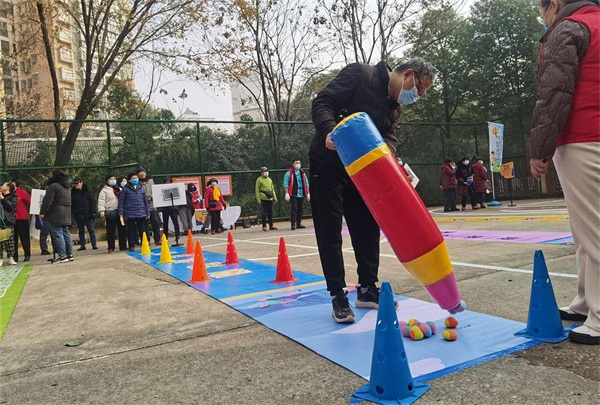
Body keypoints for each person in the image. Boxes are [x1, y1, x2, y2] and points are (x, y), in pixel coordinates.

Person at [310, 58, 436, 323]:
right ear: (408, 74)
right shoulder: (361, 75)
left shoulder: (394, 106)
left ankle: (367, 288)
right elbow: (323, 102)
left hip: (362, 171)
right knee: (329, 229)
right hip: (328, 163)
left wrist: (390, 160)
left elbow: (388, 136)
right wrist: (329, 131)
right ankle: (338, 294)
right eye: (420, 88)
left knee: (367, 227)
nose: (419, 95)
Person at [529, 0, 600, 345]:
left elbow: (554, 93)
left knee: (592, 230)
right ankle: (585, 302)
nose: (543, 18)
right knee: (586, 229)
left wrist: (540, 148)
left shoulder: (569, 28)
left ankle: (599, 317)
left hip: (582, 137)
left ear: (554, 4)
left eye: (540, 10)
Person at [40, 169, 73, 264]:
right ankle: (69, 254)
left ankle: (62, 255)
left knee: (57, 233)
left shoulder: (54, 186)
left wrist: (42, 212)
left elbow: (48, 200)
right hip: (66, 211)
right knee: (66, 232)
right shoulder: (67, 187)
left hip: (56, 212)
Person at [119, 172, 150, 252]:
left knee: (142, 230)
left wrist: (147, 212)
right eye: (133, 178)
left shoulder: (141, 188)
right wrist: (121, 214)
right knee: (131, 231)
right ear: (129, 180)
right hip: (130, 213)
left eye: (136, 178)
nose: (135, 179)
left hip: (141, 212)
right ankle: (131, 246)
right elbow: (121, 202)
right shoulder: (125, 189)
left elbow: (145, 202)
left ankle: (144, 244)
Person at [98, 174, 127, 253]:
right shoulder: (104, 190)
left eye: (114, 179)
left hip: (120, 212)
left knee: (122, 230)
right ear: (107, 181)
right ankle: (111, 247)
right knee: (110, 231)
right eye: (111, 179)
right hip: (110, 212)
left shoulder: (119, 189)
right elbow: (101, 201)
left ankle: (123, 246)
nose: (113, 180)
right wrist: (102, 211)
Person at [137, 166, 161, 246]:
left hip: (152, 205)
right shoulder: (137, 183)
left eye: (143, 172)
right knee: (143, 225)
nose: (142, 174)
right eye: (140, 172)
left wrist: (151, 197)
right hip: (142, 207)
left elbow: (155, 191)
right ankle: (146, 240)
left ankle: (157, 239)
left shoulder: (150, 182)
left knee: (155, 223)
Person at [71, 178, 97, 251]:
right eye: (75, 184)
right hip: (78, 214)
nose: (76, 185)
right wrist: (73, 213)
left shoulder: (87, 191)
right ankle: (82, 245)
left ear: (81, 183)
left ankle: (94, 243)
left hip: (88, 214)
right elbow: (72, 204)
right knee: (81, 231)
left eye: (77, 183)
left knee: (91, 229)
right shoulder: (73, 193)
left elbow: (92, 202)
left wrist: (93, 212)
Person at [283, 160, 310, 230]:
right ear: (293, 164)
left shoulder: (302, 173)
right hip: (293, 193)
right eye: (296, 163)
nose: (298, 164)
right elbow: (286, 184)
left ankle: (298, 223)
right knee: (294, 209)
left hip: (301, 193)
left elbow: (306, 183)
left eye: (299, 163)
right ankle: (293, 224)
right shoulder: (289, 173)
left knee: (300, 209)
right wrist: (286, 193)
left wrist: (308, 193)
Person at [12, 180, 31, 262]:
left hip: (22, 218)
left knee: (24, 237)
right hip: (12, 219)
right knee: (13, 239)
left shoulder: (21, 193)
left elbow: (30, 201)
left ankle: (27, 254)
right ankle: (14, 256)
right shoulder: (8, 194)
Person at [0, 182, 18, 266]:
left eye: (3, 185)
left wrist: (2, 198)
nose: (1, 186)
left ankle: (10, 257)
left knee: (9, 241)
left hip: (8, 221)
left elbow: (10, 208)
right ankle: (0, 258)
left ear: (8, 187)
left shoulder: (13, 197)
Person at [255, 167, 278, 232]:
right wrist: (258, 199)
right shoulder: (259, 180)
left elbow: (272, 189)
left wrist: (275, 197)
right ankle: (264, 226)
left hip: (270, 198)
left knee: (270, 212)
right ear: (261, 172)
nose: (266, 172)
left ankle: (271, 225)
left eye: (267, 171)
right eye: (264, 171)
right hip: (263, 198)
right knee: (264, 212)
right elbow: (257, 190)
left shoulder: (269, 179)